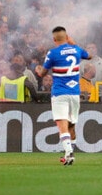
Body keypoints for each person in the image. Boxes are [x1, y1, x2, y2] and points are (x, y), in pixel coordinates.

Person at [35, 26, 89, 166]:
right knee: (71, 126)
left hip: (60, 93)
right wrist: (73, 43)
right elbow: (89, 55)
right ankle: (71, 153)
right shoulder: (77, 50)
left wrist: (38, 69)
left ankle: (68, 153)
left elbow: (42, 74)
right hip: (75, 93)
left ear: (54, 39)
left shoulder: (52, 53)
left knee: (62, 126)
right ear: (67, 37)